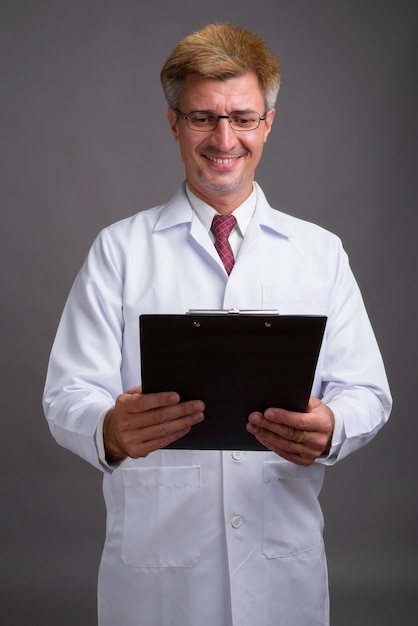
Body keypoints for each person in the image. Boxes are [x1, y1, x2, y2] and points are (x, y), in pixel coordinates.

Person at [43, 22, 392, 626]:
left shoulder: (320, 252)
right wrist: (109, 429)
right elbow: (65, 395)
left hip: (281, 570)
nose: (224, 138)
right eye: (203, 117)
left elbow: (368, 392)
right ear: (174, 123)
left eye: (243, 118)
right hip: (157, 581)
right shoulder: (120, 250)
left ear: (269, 123)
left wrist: (332, 426)